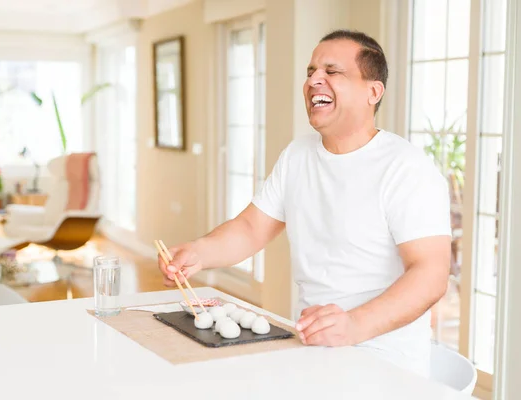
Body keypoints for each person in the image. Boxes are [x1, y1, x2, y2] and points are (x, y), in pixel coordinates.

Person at [158, 30, 451, 377]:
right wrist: (199, 252)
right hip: (313, 348)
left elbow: (430, 275)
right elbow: (252, 229)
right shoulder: (298, 155)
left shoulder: (406, 167)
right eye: (311, 71)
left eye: (332, 71)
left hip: (384, 362)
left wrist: (354, 325)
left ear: (373, 91)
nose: (314, 80)